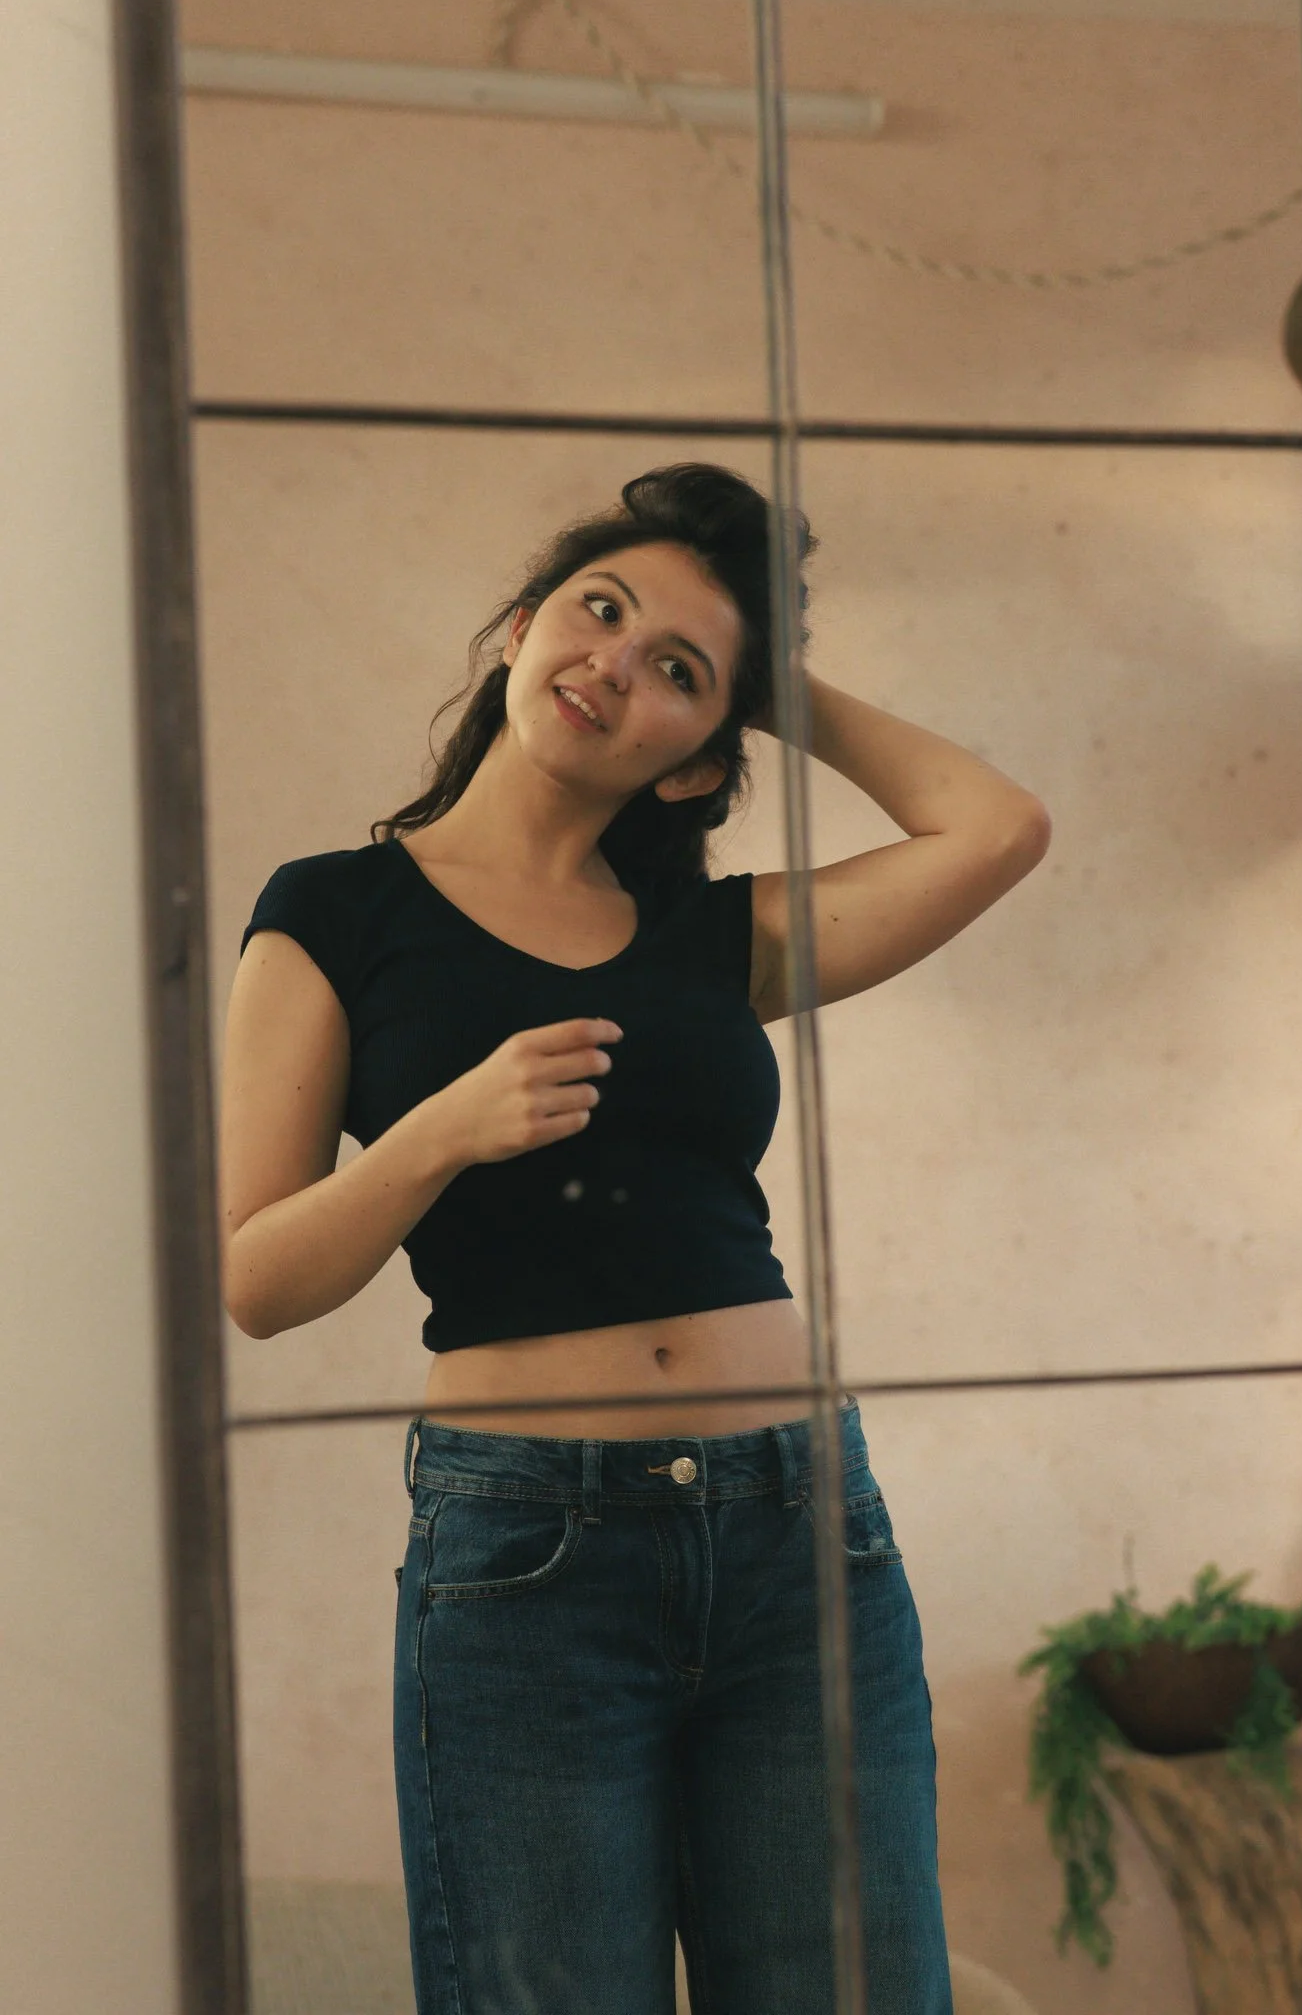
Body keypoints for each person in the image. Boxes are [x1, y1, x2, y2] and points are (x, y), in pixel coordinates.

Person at [221, 462, 1050, 2014]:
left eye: (678, 670)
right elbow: (258, 1279)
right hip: (534, 1553)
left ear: (692, 763)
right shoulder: (334, 911)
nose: (615, 661)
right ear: (523, 627)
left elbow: (998, 829)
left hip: (802, 1533)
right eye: (599, 612)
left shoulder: (714, 934)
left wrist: (776, 681)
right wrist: (437, 1133)